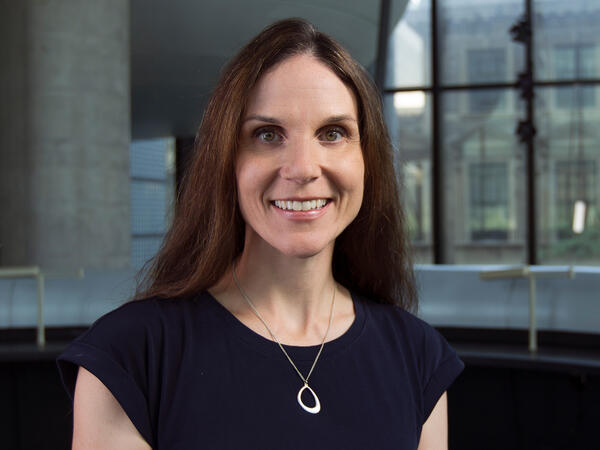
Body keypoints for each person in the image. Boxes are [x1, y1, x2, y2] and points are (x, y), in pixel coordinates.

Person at [57, 18, 463, 449]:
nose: (304, 168)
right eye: (267, 135)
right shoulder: (130, 357)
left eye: (333, 133)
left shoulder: (419, 358)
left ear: (368, 161)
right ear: (227, 161)